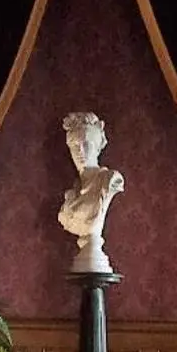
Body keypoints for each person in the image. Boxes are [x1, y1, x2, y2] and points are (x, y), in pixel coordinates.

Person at [57, 111, 125, 273]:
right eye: (74, 145)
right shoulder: (72, 194)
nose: (79, 150)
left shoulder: (108, 180)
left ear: (97, 145)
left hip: (95, 258)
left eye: (85, 143)